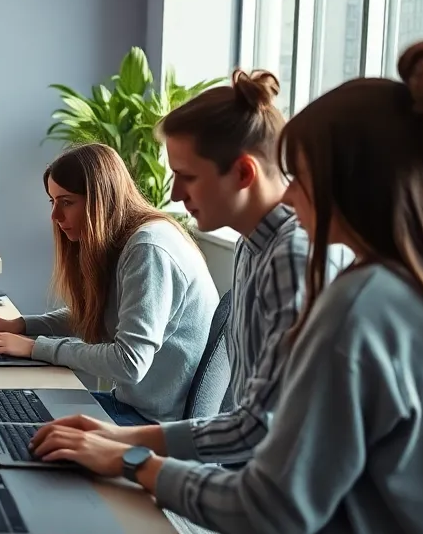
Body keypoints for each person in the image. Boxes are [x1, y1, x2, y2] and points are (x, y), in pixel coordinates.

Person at [30, 41, 423, 534]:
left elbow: (273, 508)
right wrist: (125, 446)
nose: (289, 195)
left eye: (301, 178)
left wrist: (132, 460)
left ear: (351, 184)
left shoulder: (358, 305)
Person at [61, 69, 345, 469]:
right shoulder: (254, 245)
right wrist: (122, 439)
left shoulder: (293, 262)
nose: (175, 193)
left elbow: (261, 432)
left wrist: (131, 453)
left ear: (245, 173)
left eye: (187, 176)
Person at [0, 143, 218, 425]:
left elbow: (128, 363)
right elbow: (101, 314)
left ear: (101, 200)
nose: (55, 217)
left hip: (153, 426)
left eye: (67, 202)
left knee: (1, 418)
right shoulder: (131, 240)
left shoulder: (148, 249)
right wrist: (22, 325)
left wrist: (33, 347)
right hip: (133, 409)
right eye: (53, 201)